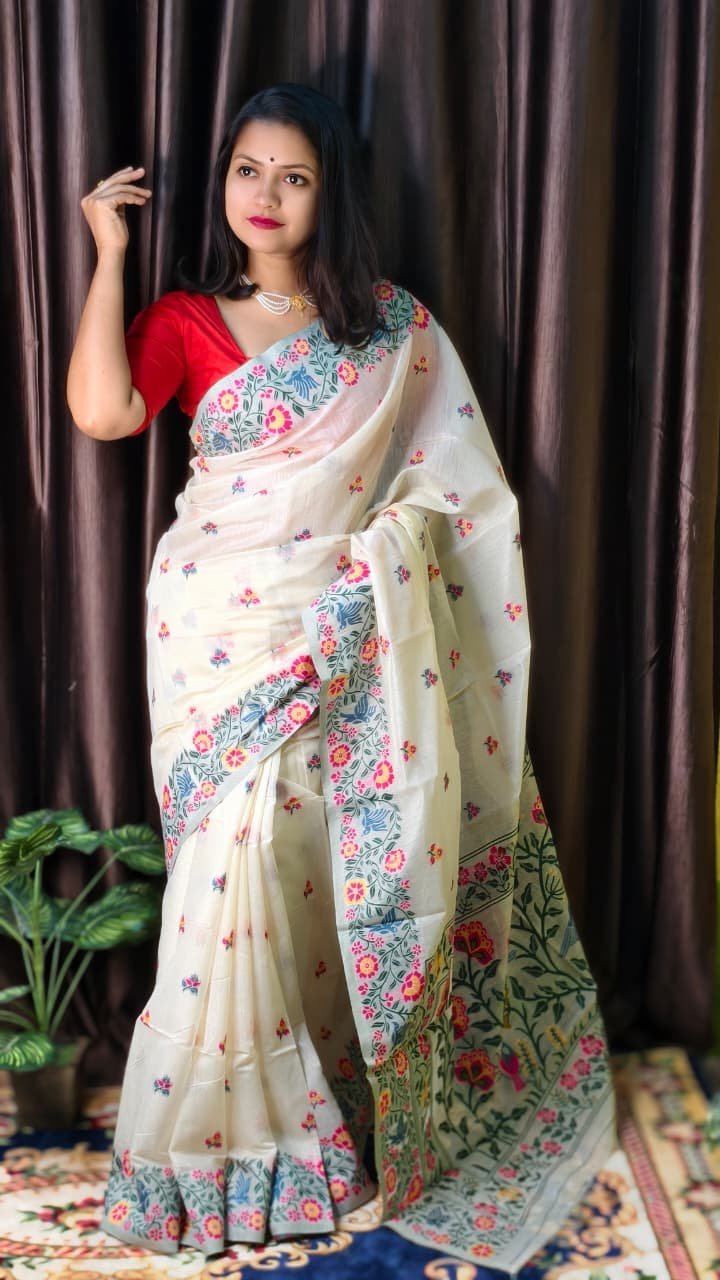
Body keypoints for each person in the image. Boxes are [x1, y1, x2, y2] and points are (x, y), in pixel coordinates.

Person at [67, 84, 614, 1271]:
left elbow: (456, 497)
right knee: (233, 856)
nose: (264, 194)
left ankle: (323, 1103)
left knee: (309, 857)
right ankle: (218, 1144)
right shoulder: (186, 317)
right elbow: (106, 413)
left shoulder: (387, 330)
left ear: (331, 194)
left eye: (294, 176)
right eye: (248, 169)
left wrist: (374, 571)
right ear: (223, 179)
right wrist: (107, 251)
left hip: (342, 629)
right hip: (216, 628)